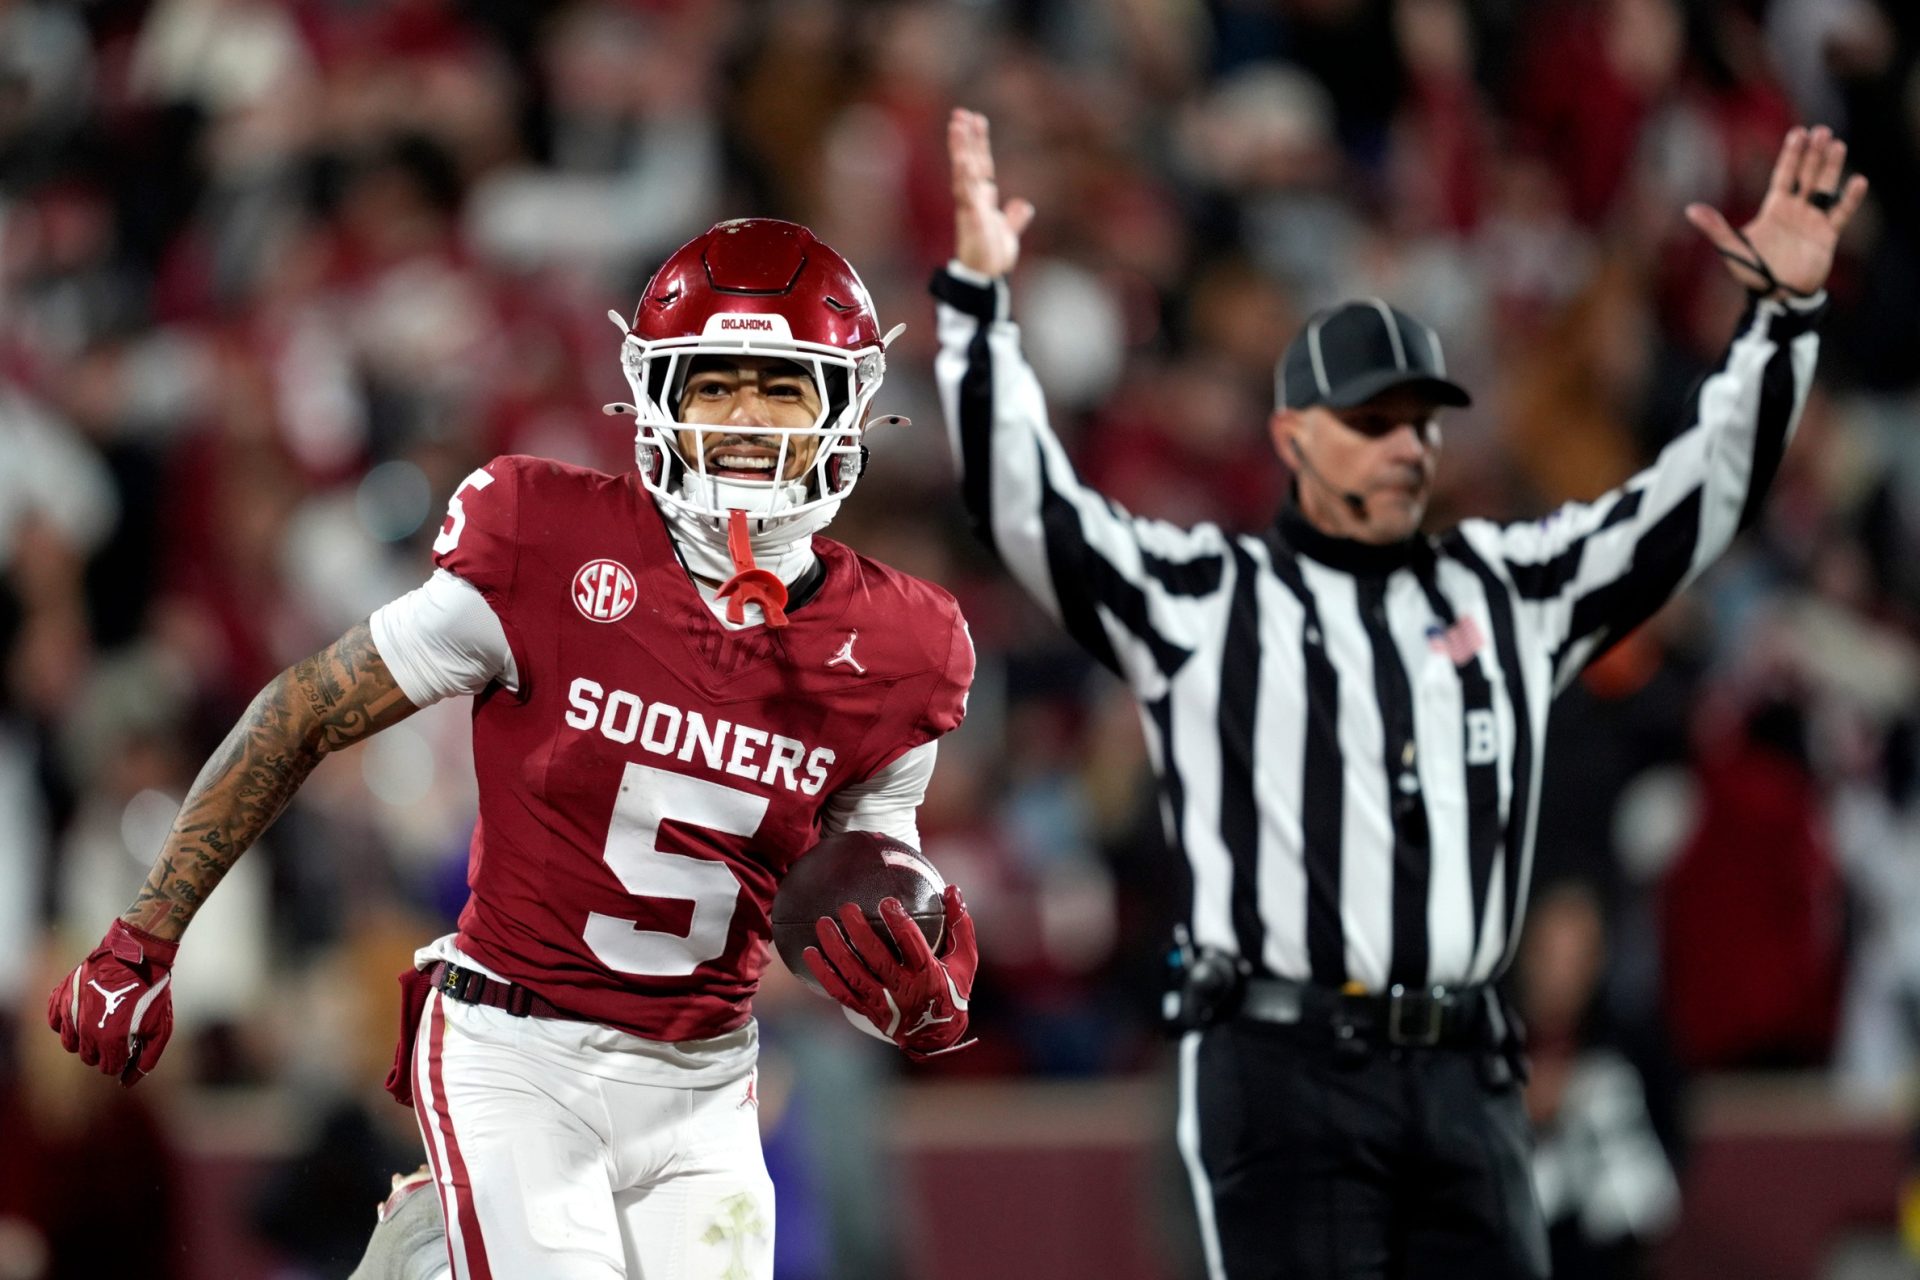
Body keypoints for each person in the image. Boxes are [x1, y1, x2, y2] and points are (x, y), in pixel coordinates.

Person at [933, 109, 1865, 1279]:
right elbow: (1032, 506)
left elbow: (1689, 506)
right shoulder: (1207, 595)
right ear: (1290, 436)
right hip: (1281, 1069)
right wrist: (976, 308)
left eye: (1421, 421)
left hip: (1465, 1060)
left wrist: (1779, 321)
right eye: (1371, 422)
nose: (1407, 446)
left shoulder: (1510, 587)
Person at [47, 217, 981, 1280]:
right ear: (655, 400)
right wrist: (146, 930)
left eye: (781, 385)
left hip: (708, 1075)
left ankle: (436, 1257)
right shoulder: (545, 539)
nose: (745, 419)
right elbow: (309, 706)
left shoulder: (907, 646)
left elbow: (874, 864)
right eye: (712, 384)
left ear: (845, 410)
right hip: (519, 1048)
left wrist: (929, 961)